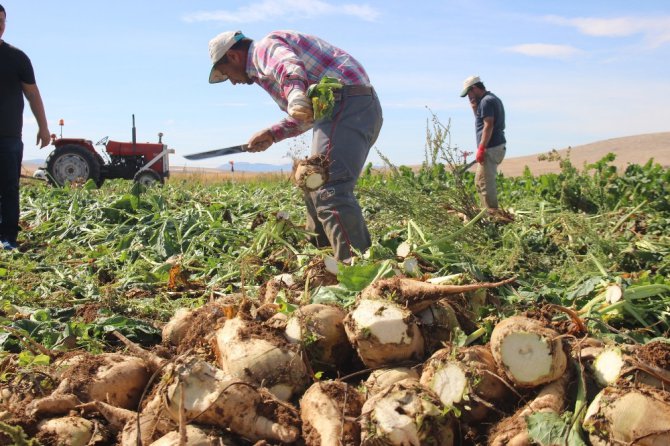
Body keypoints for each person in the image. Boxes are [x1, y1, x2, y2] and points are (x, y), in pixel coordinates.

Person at [208, 30, 383, 263]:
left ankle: (359, 270)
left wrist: (296, 95)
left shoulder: (264, 49)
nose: (232, 81)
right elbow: (305, 116)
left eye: (225, 73)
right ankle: (323, 261)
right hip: (347, 106)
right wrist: (272, 134)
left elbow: (288, 66)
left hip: (347, 100)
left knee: (329, 188)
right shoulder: (263, 73)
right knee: (311, 181)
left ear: (233, 57)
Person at [0, 4, 50, 250]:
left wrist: (43, 127)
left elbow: (32, 94)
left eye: (2, 20)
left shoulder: (17, 58)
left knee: (9, 187)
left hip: (8, 137)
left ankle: (8, 238)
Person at [460, 75, 506, 213]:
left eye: (469, 93)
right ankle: (489, 212)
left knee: (485, 183)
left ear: (474, 88)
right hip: (495, 145)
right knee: (480, 181)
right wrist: (474, 107)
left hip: (491, 147)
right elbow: (481, 121)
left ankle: (493, 215)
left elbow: (488, 125)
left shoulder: (486, 101)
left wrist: (481, 147)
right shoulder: (490, 99)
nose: (468, 96)